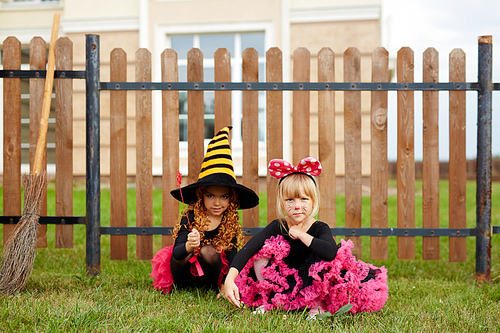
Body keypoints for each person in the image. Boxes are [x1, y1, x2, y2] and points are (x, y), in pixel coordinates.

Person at [222, 157, 388, 317]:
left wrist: (302, 235)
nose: (296, 206)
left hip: (314, 284)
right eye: (290, 199)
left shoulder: (319, 227)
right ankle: (271, 302)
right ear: (281, 201)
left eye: (303, 199)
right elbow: (249, 248)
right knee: (261, 253)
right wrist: (230, 279)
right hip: (285, 282)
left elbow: (330, 253)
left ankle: (316, 307)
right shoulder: (278, 226)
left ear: (313, 200)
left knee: (323, 256)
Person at [150, 126, 259, 294]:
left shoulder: (228, 219)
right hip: (183, 271)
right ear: (201, 195)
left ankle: (212, 287)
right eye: (210, 196)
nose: (217, 203)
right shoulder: (191, 217)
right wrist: (188, 245)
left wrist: (226, 283)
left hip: (210, 272)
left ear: (232, 198)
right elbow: (177, 254)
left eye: (224, 197)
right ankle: (182, 288)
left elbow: (231, 255)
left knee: (208, 250)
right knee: (182, 254)